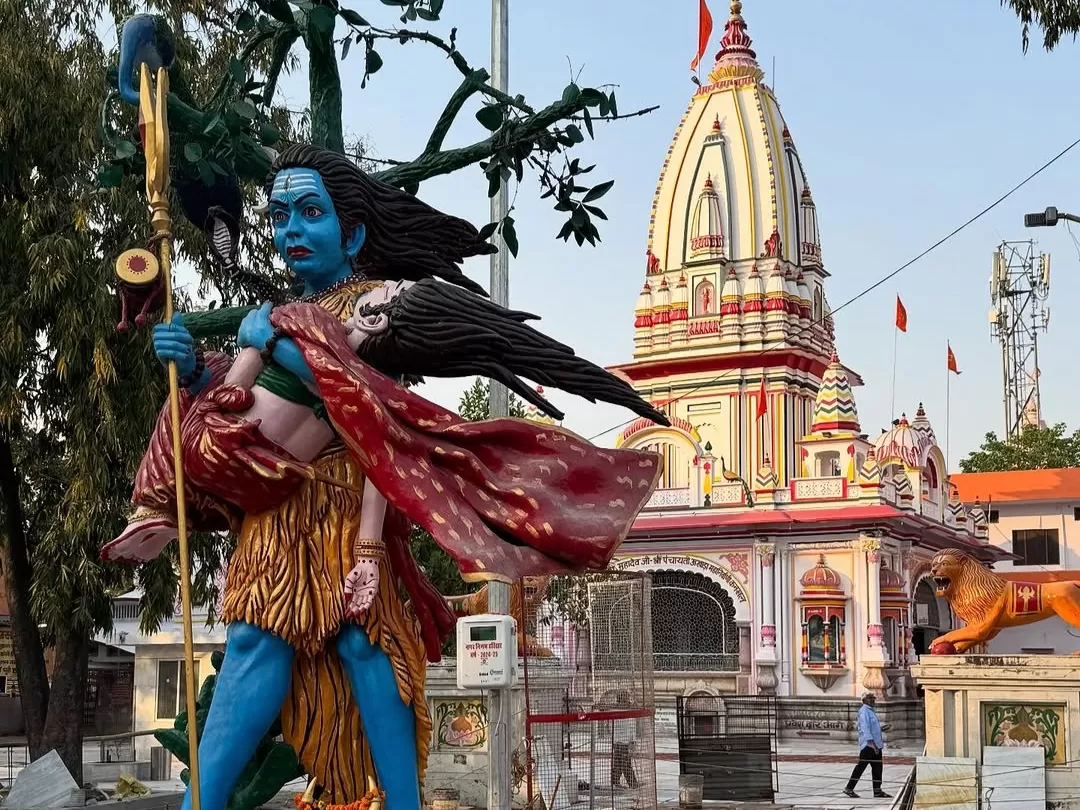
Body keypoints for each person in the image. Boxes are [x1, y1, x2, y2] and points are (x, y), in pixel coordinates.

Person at [102, 142, 668, 810]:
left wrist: (370, 548)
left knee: (365, 645)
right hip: (275, 509)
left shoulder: (377, 305)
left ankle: (403, 803)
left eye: (309, 212)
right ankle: (203, 803)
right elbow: (242, 404)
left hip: (348, 503)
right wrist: (197, 371)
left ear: (354, 231)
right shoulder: (282, 315)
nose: (290, 230)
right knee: (254, 643)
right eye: (281, 215)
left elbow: (373, 418)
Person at [843, 692, 891, 799]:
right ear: (864, 700)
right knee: (861, 767)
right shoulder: (864, 711)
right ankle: (849, 788)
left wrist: (881, 729)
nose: (873, 700)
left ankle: (877, 790)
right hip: (869, 746)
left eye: (873, 698)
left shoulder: (870, 711)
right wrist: (872, 745)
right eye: (870, 698)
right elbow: (865, 729)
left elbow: (872, 727)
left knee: (878, 768)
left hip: (876, 744)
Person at [611, 693, 640, 790]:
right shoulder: (628, 710)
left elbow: (610, 726)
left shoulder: (613, 709)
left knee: (618, 763)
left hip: (616, 740)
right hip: (624, 741)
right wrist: (633, 741)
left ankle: (615, 782)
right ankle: (633, 783)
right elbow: (632, 726)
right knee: (626, 763)